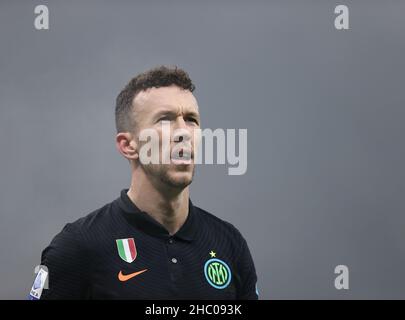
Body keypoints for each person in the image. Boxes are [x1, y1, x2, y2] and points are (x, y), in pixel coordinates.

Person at [29, 66, 258, 299]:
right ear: (128, 145)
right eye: (165, 120)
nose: (183, 132)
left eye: (191, 120)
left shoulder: (229, 244)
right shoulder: (77, 247)